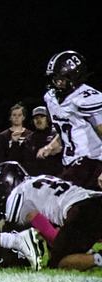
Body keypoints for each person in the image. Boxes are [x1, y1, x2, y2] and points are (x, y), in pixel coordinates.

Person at [0, 161, 102, 271]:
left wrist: (63, 250)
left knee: (60, 262)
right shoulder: (38, 180)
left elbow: (48, 232)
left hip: (84, 209)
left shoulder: (18, 195)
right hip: (94, 199)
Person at [37, 50, 102, 190]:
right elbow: (66, 130)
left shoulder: (87, 98)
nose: (58, 82)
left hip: (92, 162)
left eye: (62, 78)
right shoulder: (51, 98)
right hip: (71, 163)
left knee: (55, 193)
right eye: (55, 78)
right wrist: (52, 146)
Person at [18, 106, 63, 177]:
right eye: (36, 118)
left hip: (55, 178)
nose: (38, 120)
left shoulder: (57, 135)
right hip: (35, 178)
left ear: (47, 118)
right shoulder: (28, 139)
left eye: (42, 117)